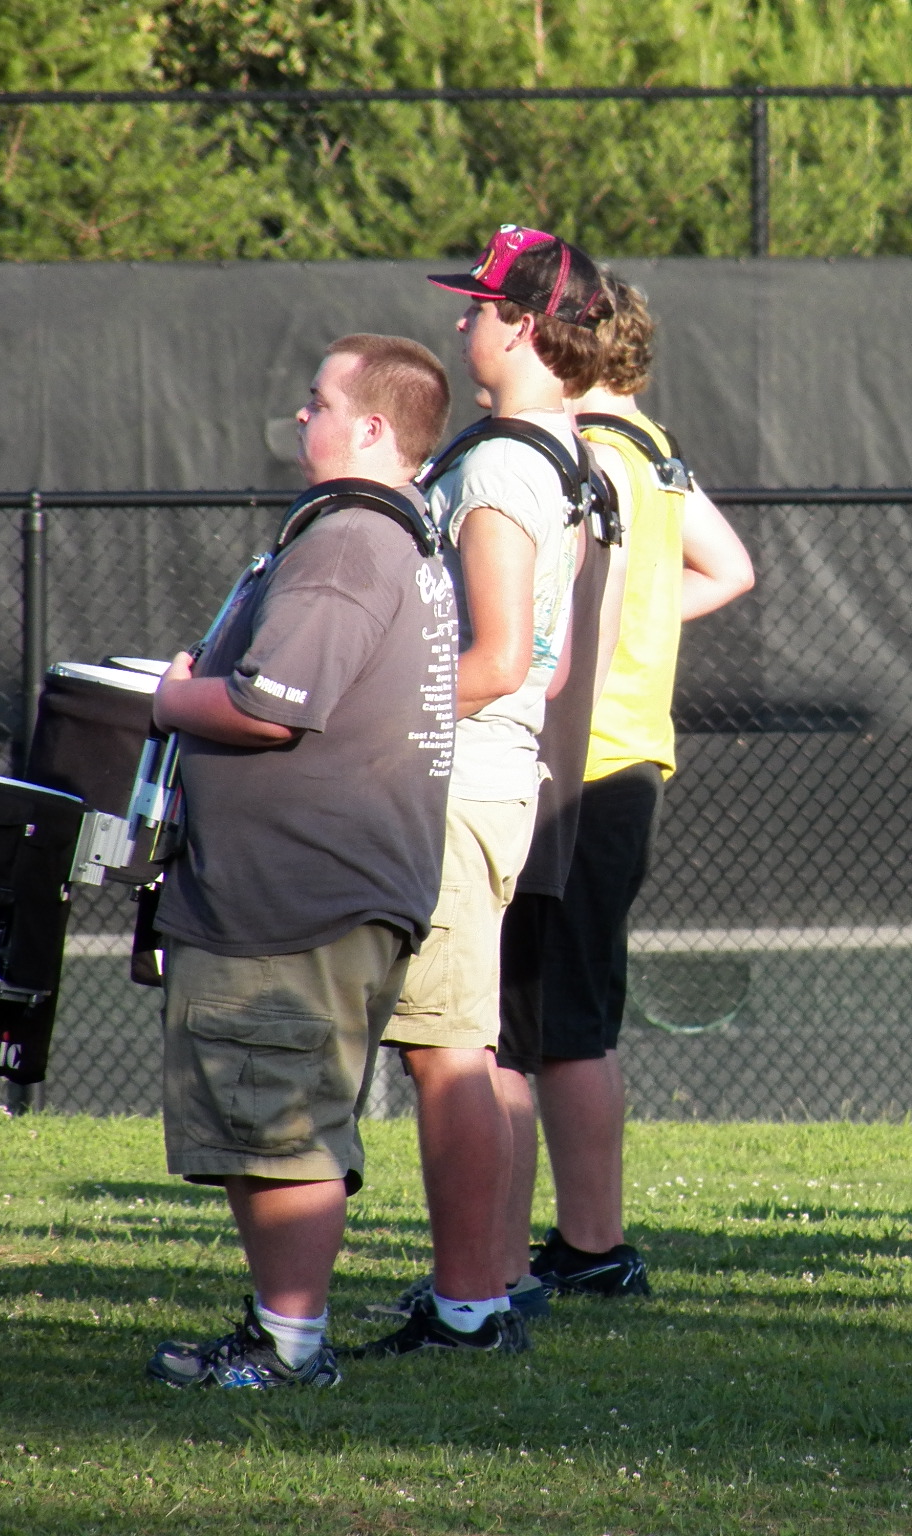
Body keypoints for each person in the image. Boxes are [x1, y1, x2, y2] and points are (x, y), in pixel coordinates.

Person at [143, 334, 457, 1389]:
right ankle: (279, 1333)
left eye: (317, 400)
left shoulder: (350, 539)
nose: (299, 416)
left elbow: (271, 708)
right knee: (258, 1120)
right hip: (313, 890)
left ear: (370, 427)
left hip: (300, 897)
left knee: (280, 1122)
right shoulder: (382, 536)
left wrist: (165, 695)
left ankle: (289, 1348)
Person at [361, 225, 613, 1358]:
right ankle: (486, 1283)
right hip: (496, 773)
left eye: (475, 307)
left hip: (465, 778)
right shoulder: (551, 448)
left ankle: (470, 1306)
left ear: (521, 323)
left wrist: (359, 726)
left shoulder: (508, 462)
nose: (459, 321)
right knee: (471, 1044)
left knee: (446, 1052)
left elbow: (506, 658)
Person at [499, 274, 754, 1299]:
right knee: (578, 1013)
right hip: (631, 753)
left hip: (578, 758)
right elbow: (728, 568)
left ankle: (572, 1252)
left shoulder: (587, 453)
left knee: (537, 1024)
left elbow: (564, 614)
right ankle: (586, 1247)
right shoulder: (654, 450)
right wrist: (642, 627)